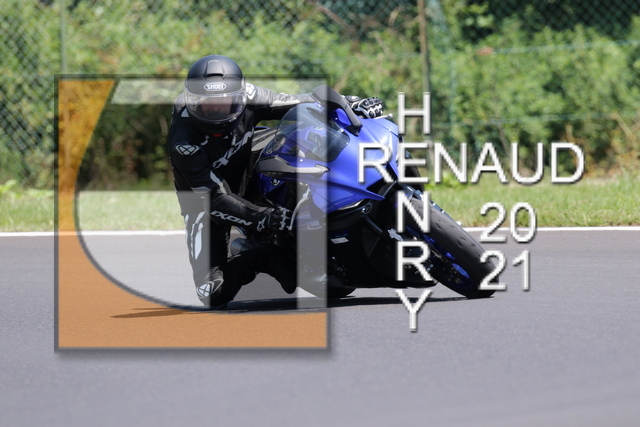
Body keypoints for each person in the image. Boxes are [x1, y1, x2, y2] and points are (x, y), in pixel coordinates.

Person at [167, 54, 383, 309]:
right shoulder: (184, 142)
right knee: (212, 292)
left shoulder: (249, 95)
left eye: (223, 101)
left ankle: (330, 208)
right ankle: (261, 256)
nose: (215, 109)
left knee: (301, 134)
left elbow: (298, 101)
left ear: (238, 97)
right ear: (193, 100)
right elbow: (215, 198)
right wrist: (265, 217)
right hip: (206, 203)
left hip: (247, 160)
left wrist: (349, 103)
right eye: (207, 102)